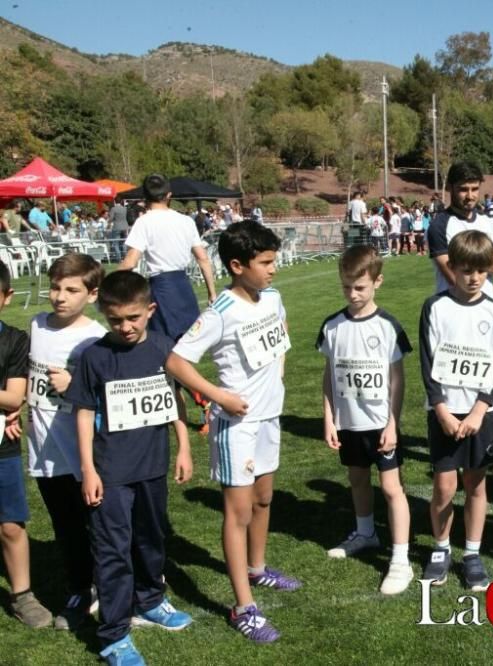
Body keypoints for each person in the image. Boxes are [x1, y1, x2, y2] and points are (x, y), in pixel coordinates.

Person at [167, 221, 299, 643]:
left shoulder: (273, 297)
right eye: (266, 263)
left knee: (264, 500)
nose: (273, 270)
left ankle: (257, 569)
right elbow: (177, 362)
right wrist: (218, 397)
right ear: (237, 265)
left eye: (274, 261)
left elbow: (282, 331)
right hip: (236, 427)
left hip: (268, 418)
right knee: (238, 513)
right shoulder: (219, 312)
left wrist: (276, 374)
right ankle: (244, 607)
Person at [66, 271, 194, 664]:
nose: (125, 326)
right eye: (116, 319)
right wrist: (88, 469)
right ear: (105, 313)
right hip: (111, 473)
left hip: (152, 467)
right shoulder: (94, 357)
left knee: (151, 539)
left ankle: (151, 600)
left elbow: (173, 398)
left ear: (149, 310)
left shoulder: (160, 346)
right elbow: (84, 414)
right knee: (113, 552)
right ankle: (113, 634)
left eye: (133, 318)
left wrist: (184, 446)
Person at [317, 245, 414, 594]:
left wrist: (392, 423)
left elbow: (397, 379)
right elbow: (330, 374)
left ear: (377, 282)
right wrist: (329, 419)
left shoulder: (388, 326)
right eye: (346, 287)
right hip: (349, 422)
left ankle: (401, 560)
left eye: (359, 287)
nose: (352, 294)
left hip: (380, 423)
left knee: (391, 488)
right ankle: (366, 532)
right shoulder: (332, 326)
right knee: (357, 480)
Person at [419, 230, 493, 591]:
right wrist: (442, 410)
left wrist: (478, 411)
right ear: (451, 268)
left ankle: (471, 553)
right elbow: (428, 364)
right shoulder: (435, 307)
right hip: (444, 411)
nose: (473, 278)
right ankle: (441, 548)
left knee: (475, 483)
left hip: (481, 415)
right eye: (465, 270)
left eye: (481, 271)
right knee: (443, 485)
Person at [27, 253, 107, 629]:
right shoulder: (37, 324)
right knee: (64, 524)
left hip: (82, 450)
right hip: (43, 449)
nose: (60, 296)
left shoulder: (95, 337)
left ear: (91, 294)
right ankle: (79, 588)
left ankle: (116, 584)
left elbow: (109, 393)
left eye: (71, 289)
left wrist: (73, 385)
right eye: (56, 287)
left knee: (97, 523)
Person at [0, 260, 52, 629]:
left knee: (11, 525)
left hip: (2, 445)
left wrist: (8, 402)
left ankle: (23, 595)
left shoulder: (14, 340)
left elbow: (13, 399)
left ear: (6, 297)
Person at [118, 174, 217, 342]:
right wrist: (212, 293)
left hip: (161, 286)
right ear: (169, 195)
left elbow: (130, 262)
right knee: (187, 343)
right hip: (183, 285)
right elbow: (203, 258)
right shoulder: (185, 221)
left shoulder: (144, 222)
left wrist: (106, 284)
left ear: (145, 196)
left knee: (164, 344)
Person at [426, 162, 493, 298]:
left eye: (475, 189)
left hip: (489, 306)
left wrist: (465, 263)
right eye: (463, 189)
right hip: (455, 307)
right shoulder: (439, 226)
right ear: (450, 188)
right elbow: (454, 278)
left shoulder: (488, 221)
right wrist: (489, 259)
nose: (470, 196)